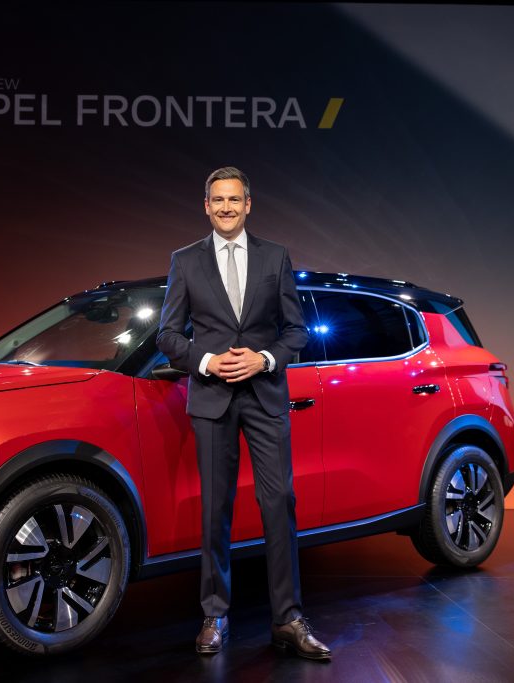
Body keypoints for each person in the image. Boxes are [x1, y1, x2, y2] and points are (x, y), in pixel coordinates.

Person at [156, 167, 331, 660]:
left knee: (280, 504)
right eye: (218, 200)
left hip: (265, 396)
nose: (227, 207)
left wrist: (265, 358)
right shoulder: (185, 260)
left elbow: (296, 331)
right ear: (206, 206)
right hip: (211, 399)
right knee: (215, 509)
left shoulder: (275, 256)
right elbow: (167, 335)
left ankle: (288, 619)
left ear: (248, 204)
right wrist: (207, 362)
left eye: (234, 199)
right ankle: (214, 615)